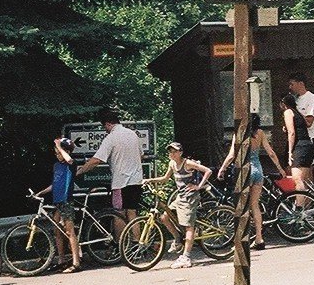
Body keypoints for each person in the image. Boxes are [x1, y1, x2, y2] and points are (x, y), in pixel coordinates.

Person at [220, 114, 285, 251]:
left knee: (242, 206)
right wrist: (280, 169)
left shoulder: (239, 133)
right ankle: (259, 238)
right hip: (258, 170)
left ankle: (242, 239)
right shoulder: (260, 133)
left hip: (245, 171)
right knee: (255, 205)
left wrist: (222, 168)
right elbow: (270, 153)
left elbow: (232, 155)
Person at [145, 141, 212, 269]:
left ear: (180, 152)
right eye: (170, 151)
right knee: (164, 217)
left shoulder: (187, 163)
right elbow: (165, 179)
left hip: (190, 198)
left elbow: (207, 171)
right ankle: (177, 240)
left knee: (188, 227)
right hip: (180, 197)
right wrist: (150, 180)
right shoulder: (172, 164)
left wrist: (199, 186)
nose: (172, 154)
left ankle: (186, 257)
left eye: (174, 151)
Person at [80, 110, 147, 229]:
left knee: (118, 213)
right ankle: (137, 243)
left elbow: (97, 160)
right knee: (132, 212)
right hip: (136, 180)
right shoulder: (132, 134)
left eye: (104, 126)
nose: (105, 129)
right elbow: (141, 155)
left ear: (108, 124)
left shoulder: (111, 138)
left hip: (121, 182)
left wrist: (79, 171)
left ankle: (119, 245)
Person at [50, 134, 82, 271]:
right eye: (56, 153)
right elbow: (54, 184)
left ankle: (76, 263)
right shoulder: (56, 165)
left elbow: (69, 159)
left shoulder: (71, 164)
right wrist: (40, 193)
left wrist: (59, 145)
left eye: (59, 152)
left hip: (66, 201)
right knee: (57, 231)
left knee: (70, 232)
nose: (57, 155)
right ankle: (61, 259)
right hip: (57, 202)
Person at [287, 74, 314, 188]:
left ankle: (310, 199)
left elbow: (309, 121)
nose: (290, 87)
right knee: (296, 170)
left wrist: (295, 113)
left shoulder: (311, 98)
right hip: (296, 138)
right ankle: (302, 197)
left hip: (308, 137)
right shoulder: (295, 98)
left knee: (307, 169)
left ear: (301, 83)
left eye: (292, 84)